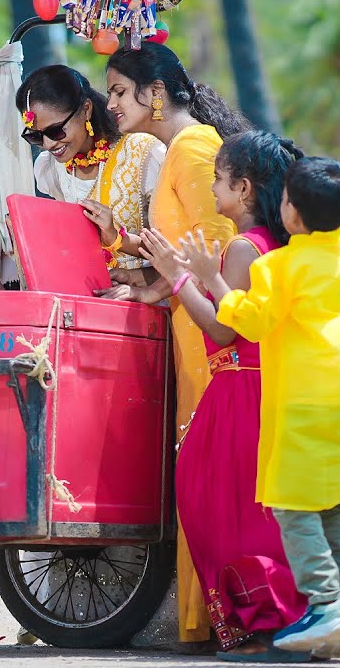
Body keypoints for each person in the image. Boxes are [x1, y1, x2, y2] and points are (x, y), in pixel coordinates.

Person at [121, 133, 340, 662]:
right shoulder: (324, 255)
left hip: (245, 390)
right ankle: (335, 607)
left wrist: (180, 281)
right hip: (308, 394)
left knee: (238, 510)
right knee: (323, 508)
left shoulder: (247, 248)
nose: (214, 191)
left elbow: (227, 330)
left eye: (219, 181)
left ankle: (273, 624)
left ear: (244, 189)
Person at [101, 38, 249, 645]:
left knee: (214, 477)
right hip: (191, 326)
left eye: (116, 91)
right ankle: (217, 620)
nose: (109, 104)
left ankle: (236, 620)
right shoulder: (179, 147)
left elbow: (218, 254)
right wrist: (143, 266)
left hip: (212, 338)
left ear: (153, 93)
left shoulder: (192, 149)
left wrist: (158, 287)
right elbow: (185, 252)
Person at [212, 157, 340, 659]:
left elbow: (252, 322)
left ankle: (327, 601)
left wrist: (208, 277)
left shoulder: (278, 266)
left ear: (291, 214)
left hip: (305, 397)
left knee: (294, 505)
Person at [15, 65, 165, 270]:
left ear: (86, 109)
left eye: (56, 131)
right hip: (87, 295)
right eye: (35, 136)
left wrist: (118, 239)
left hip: (146, 294)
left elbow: (173, 248)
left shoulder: (141, 152)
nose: (48, 144)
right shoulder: (51, 168)